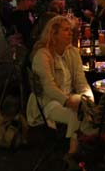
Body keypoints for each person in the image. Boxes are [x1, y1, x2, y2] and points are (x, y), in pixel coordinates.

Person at [28, 15, 97, 157]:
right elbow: (48, 88)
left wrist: (88, 100)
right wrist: (68, 101)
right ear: (54, 34)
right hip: (48, 102)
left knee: (81, 110)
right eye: (66, 30)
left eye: (71, 30)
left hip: (71, 99)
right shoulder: (42, 55)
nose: (71, 33)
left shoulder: (72, 52)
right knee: (79, 114)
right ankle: (77, 152)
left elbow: (81, 81)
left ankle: (74, 152)